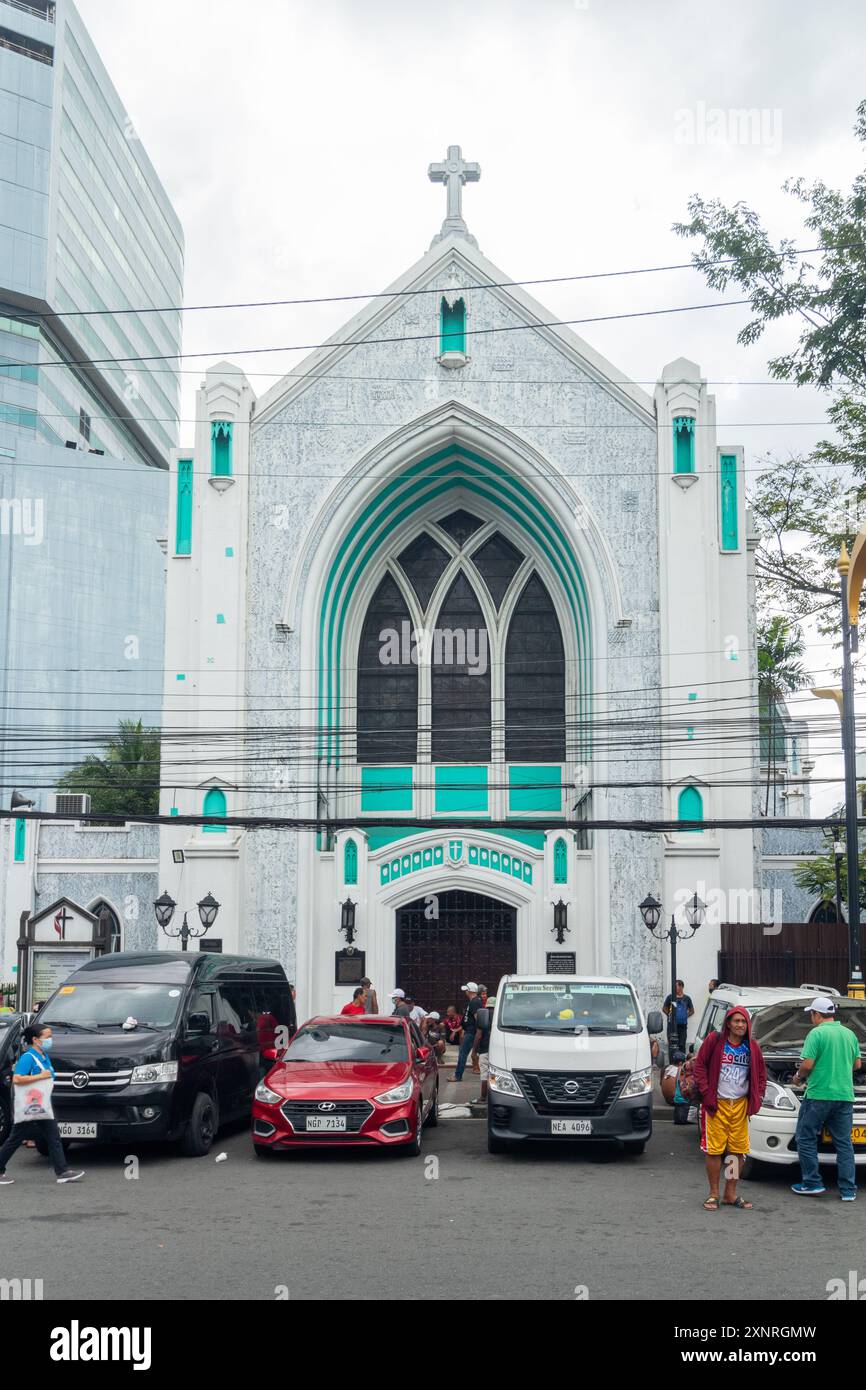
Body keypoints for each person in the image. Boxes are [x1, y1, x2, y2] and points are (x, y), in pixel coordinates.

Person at [693, 1006, 766, 1211]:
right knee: (714, 1151)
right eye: (736, 1021)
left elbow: (761, 1075)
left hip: (740, 1106)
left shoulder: (752, 1047)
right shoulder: (715, 1042)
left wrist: (757, 1098)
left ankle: (730, 1193)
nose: (740, 1025)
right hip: (716, 1105)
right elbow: (700, 1067)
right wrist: (707, 1094)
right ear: (728, 1023)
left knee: (737, 1152)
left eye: (743, 1021)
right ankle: (714, 1193)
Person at [791, 996, 861, 1200]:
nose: (811, 1018)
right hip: (845, 1096)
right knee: (844, 1143)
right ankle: (848, 1191)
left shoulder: (817, 1033)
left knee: (805, 1138)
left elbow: (807, 1065)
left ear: (816, 1014)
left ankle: (812, 1183)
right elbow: (857, 1065)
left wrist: (797, 1078)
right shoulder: (849, 1034)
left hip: (819, 1095)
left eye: (811, 1014)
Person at [0, 1023, 85, 1186]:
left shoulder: (44, 1056)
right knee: (15, 1139)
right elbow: (17, 1078)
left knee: (54, 1137)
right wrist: (41, 1076)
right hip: (30, 1106)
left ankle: (62, 1171)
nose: (50, 1040)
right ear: (35, 1040)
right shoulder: (28, 1057)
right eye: (47, 1037)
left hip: (42, 1105)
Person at [453, 983, 482, 1081]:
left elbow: (477, 1018)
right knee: (463, 1053)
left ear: (470, 991)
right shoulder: (473, 1001)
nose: (465, 992)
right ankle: (458, 1075)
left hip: (471, 1032)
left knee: (463, 1053)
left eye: (466, 990)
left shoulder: (475, 1002)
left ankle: (457, 1076)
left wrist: (478, 1032)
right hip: (469, 1031)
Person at [470, 994, 495, 1102]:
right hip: (496, 1051)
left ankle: (483, 1097)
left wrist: (474, 1051)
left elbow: (479, 1035)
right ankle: (493, 1096)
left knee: (484, 1074)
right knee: (493, 1074)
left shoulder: (483, 1015)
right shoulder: (499, 1016)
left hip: (484, 1050)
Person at [663, 980, 695, 1055]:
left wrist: (684, 1016)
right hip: (671, 1026)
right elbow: (664, 1008)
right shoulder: (670, 997)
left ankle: (681, 1062)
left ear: (681, 987)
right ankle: (672, 1062)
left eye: (676, 986)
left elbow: (692, 1011)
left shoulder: (687, 998)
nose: (674, 988)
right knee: (672, 1044)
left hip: (682, 1026)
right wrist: (670, 1016)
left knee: (682, 1044)